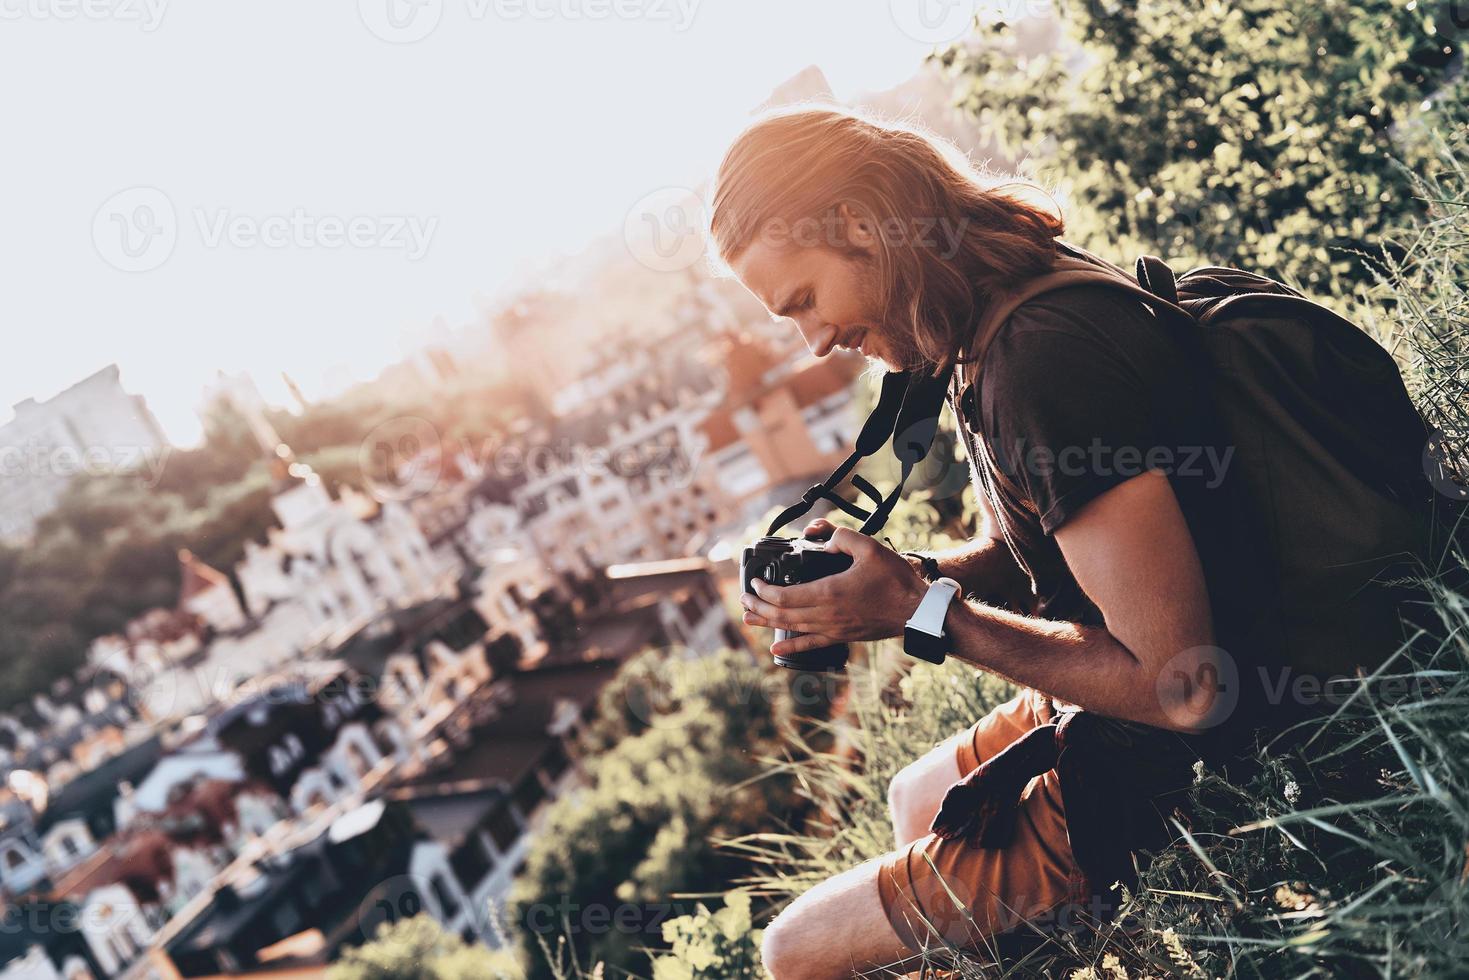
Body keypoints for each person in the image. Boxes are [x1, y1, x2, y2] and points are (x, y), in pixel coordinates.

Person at [706, 104, 1368, 979]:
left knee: (794, 953)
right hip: (1153, 679)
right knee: (916, 797)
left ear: (862, 227)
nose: (815, 339)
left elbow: (1185, 689)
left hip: (1205, 732)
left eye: (803, 301)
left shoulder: (1038, 362)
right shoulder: (992, 314)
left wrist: (922, 611)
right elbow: (1048, 558)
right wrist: (901, 581)